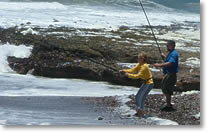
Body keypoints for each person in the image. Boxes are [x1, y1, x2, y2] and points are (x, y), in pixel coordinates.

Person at [120, 52, 153, 118]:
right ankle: (140, 112)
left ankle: (140, 112)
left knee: (140, 97)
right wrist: (123, 71)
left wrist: (128, 75)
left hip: (149, 84)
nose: (138, 59)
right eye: (138, 58)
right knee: (138, 96)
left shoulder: (144, 67)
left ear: (144, 59)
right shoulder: (139, 64)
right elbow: (132, 70)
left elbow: (137, 76)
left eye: (140, 58)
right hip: (145, 83)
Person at [153, 40, 178, 112]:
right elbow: (169, 60)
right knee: (165, 89)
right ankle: (168, 105)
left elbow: (171, 63)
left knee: (167, 89)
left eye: (168, 45)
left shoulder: (174, 54)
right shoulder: (171, 53)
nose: (167, 47)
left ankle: (169, 106)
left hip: (170, 75)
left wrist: (159, 65)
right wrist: (164, 57)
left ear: (172, 46)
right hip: (169, 74)